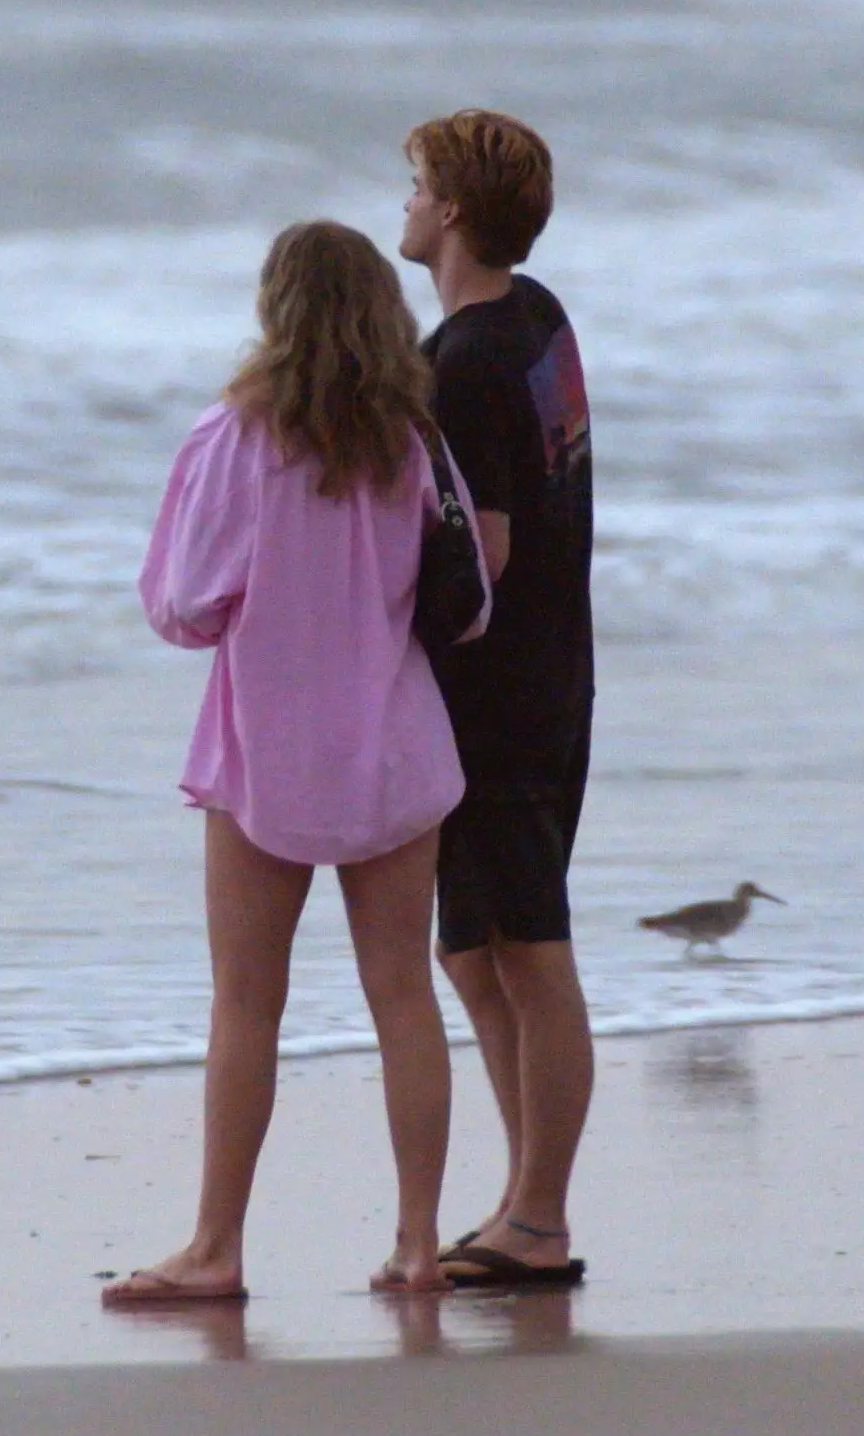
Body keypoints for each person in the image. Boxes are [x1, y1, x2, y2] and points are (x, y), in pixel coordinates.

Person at [105, 221, 468, 1303]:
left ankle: (217, 1247)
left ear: (277, 310)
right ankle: (417, 1244)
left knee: (246, 1005)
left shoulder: (235, 436)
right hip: (395, 741)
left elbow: (187, 604)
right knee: (403, 992)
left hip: (267, 745)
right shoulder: (413, 441)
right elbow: (465, 599)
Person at [397, 109, 597, 1290]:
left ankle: (541, 1217)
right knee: (470, 951)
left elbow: (487, 554)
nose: (406, 204)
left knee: (526, 948)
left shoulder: (466, 359)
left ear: (456, 209)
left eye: (416, 184)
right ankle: (523, 1199)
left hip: (502, 697)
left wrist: (378, 636)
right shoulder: (538, 318)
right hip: (550, 673)